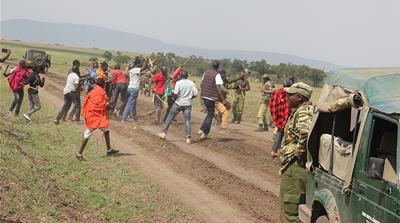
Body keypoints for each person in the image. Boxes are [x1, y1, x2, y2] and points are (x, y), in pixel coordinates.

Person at [279, 82, 313, 223]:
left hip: (296, 167)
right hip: (294, 166)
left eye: (289, 95)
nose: (286, 98)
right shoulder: (301, 110)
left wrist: (298, 152)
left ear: (299, 97)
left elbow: (304, 132)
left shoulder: (304, 111)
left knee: (291, 211)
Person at [76, 78, 119, 160]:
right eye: (105, 84)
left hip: (92, 114)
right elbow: (103, 104)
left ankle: (109, 150)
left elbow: (90, 101)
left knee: (106, 130)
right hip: (94, 116)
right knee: (88, 133)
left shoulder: (93, 90)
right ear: (103, 84)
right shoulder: (102, 92)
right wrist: (110, 106)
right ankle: (79, 153)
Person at [158, 71, 198, 144]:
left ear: (180, 76)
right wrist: (190, 98)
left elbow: (175, 93)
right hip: (188, 104)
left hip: (179, 103)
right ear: (187, 76)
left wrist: (173, 97)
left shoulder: (179, 83)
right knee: (187, 121)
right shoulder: (192, 83)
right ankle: (188, 138)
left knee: (170, 117)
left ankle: (164, 133)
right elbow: (196, 94)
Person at [198, 61, 225, 139]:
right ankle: (205, 132)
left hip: (204, 95)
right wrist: (223, 99)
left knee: (209, 113)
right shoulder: (217, 75)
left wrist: (204, 91)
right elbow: (218, 88)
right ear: (218, 67)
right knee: (211, 114)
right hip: (211, 97)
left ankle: (201, 129)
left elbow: (201, 84)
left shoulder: (206, 72)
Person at [269, 79, 293, 157]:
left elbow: (272, 105)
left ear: (283, 84)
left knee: (280, 132)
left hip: (279, 116)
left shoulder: (277, 92)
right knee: (288, 135)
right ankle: (284, 152)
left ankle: (274, 150)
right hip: (289, 116)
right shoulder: (292, 94)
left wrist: (275, 117)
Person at [121, 59, 143, 123]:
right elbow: (143, 69)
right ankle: (124, 118)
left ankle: (134, 117)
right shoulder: (136, 69)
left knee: (133, 103)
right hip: (134, 89)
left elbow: (143, 71)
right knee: (130, 104)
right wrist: (147, 64)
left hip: (130, 88)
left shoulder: (132, 70)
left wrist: (148, 67)